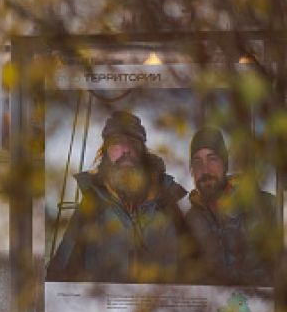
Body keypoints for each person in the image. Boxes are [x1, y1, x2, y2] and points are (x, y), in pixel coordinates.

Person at [47, 110, 189, 283]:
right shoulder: (92, 205)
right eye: (117, 143)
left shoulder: (166, 203)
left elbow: (194, 269)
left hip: (157, 300)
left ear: (142, 151)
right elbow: (59, 271)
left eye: (133, 142)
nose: (126, 150)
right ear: (105, 151)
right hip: (102, 301)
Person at [183, 126, 278, 286]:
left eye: (212, 159)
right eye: (197, 162)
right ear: (192, 171)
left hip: (260, 301)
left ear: (225, 164)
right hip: (210, 302)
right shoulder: (189, 221)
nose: (205, 169)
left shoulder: (265, 207)